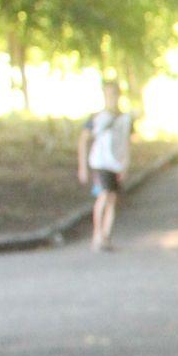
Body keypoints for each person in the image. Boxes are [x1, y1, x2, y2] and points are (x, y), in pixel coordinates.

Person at [77, 80, 132, 252]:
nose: (112, 98)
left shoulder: (124, 119)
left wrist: (126, 164)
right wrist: (83, 167)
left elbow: (127, 142)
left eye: (115, 94)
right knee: (104, 195)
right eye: (109, 94)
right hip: (101, 163)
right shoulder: (97, 118)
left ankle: (106, 236)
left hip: (116, 164)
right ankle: (97, 234)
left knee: (112, 200)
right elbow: (83, 141)